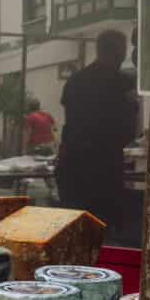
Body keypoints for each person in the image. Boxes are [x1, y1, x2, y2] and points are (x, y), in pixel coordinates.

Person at [55, 29, 137, 232]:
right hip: (104, 169)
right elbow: (127, 128)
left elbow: (71, 121)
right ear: (120, 52)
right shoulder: (123, 83)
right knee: (105, 232)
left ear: (98, 50)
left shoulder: (76, 80)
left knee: (76, 232)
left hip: (73, 167)